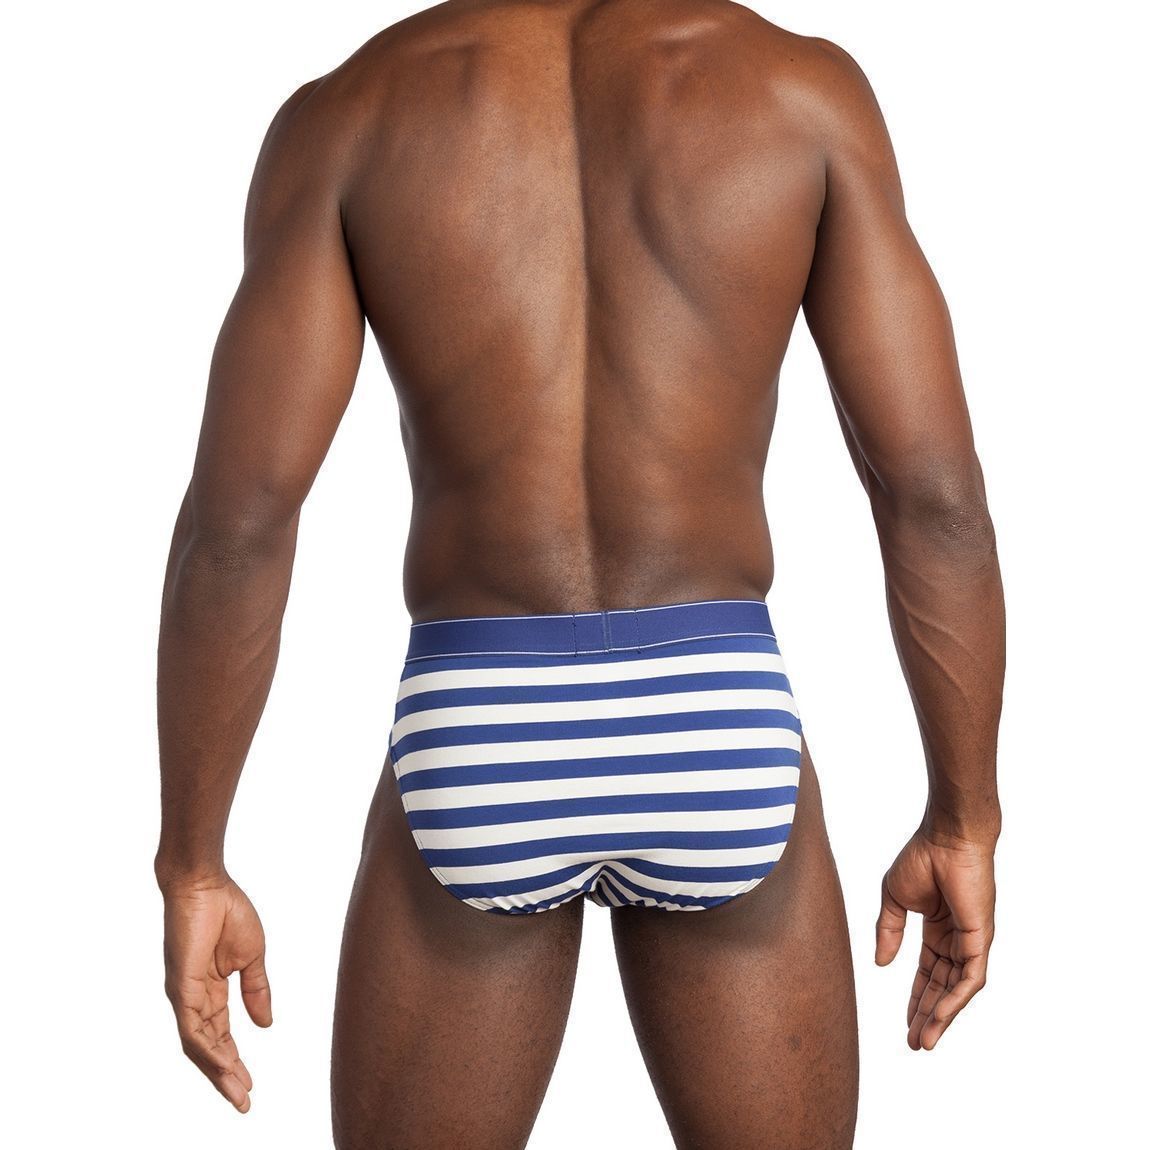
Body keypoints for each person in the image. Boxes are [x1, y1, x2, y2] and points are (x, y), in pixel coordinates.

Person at [154, 1, 1005, 1146]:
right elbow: (935, 497)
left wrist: (193, 861)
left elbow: (237, 526)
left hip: (479, 719)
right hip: (713, 712)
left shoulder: (353, 111)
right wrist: (964, 817)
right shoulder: (799, 94)